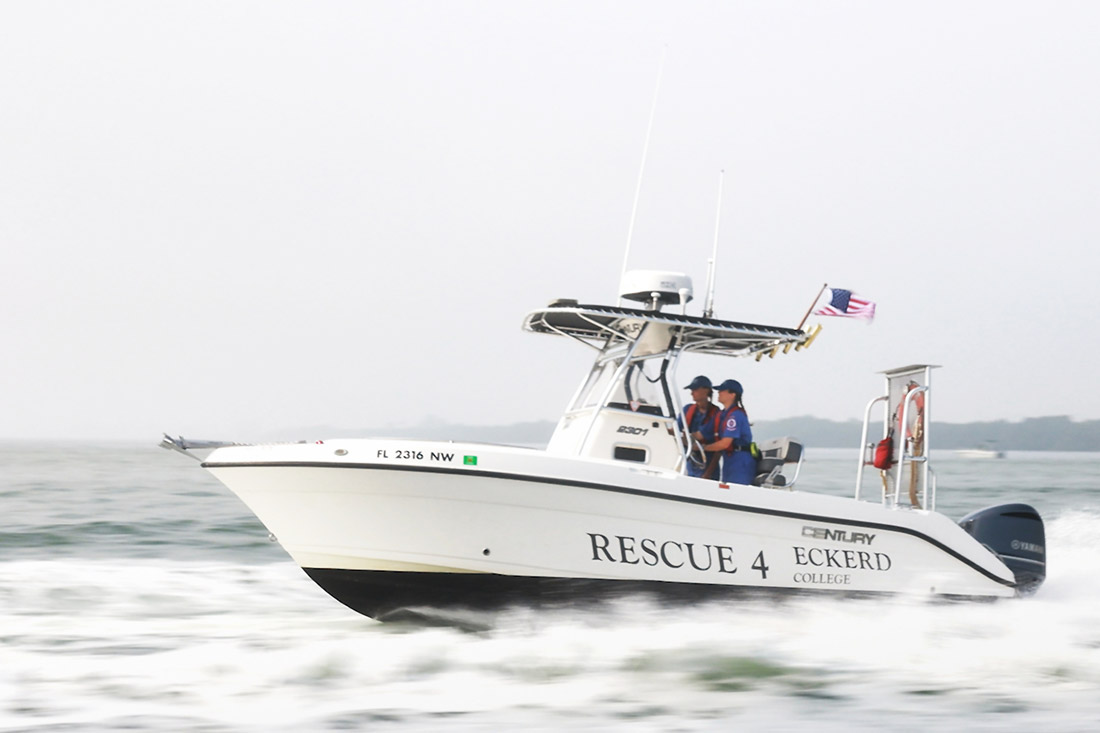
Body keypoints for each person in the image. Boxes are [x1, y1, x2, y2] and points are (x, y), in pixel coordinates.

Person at [700, 379, 757, 485]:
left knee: (737, 491)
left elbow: (725, 443)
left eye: (722, 390)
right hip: (729, 460)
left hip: (740, 462)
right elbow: (701, 434)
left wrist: (704, 448)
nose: (719, 392)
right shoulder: (721, 415)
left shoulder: (735, 416)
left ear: (732, 395)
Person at [678, 375, 720, 477]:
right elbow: (674, 430)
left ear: (706, 391)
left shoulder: (716, 413)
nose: (692, 393)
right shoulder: (687, 409)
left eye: (695, 389)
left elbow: (718, 448)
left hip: (708, 464)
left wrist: (708, 474)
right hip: (689, 464)